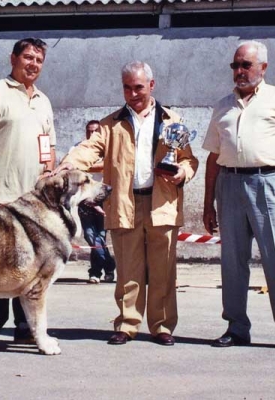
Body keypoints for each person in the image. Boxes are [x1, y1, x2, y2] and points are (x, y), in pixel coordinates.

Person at [55, 61, 198, 346]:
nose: (133, 93)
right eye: (127, 88)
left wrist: (183, 172)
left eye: (139, 87)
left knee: (163, 270)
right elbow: (88, 149)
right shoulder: (110, 124)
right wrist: (66, 166)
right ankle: (127, 323)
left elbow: (187, 159)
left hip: (162, 205)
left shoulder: (173, 120)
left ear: (152, 86)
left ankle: (162, 326)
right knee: (128, 271)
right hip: (124, 203)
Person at [202, 40, 275, 353]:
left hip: (271, 183)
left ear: (263, 68)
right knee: (232, 262)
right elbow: (213, 156)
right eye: (235, 66)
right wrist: (209, 201)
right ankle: (236, 327)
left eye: (245, 65)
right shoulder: (222, 105)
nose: (239, 71)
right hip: (230, 184)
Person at [0, 38, 56, 354]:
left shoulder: (43, 100)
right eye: (28, 57)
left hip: (35, 204)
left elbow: (48, 145)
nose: (33, 64)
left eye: (39, 60)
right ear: (13, 58)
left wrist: (49, 170)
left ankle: (25, 329)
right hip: (1, 198)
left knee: (32, 266)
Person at [73, 120, 116, 284]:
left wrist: (86, 166)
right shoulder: (79, 148)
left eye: (95, 131)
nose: (91, 134)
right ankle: (110, 266)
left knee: (101, 236)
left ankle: (96, 272)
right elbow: (74, 167)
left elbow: (105, 166)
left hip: (104, 199)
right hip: (85, 200)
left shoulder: (107, 149)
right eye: (89, 131)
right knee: (91, 237)